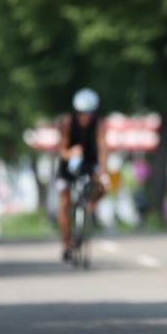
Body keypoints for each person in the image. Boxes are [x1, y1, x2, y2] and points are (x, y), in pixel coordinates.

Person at [56, 88, 109, 261]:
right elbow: (61, 150)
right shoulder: (67, 123)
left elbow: (102, 147)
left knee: (103, 186)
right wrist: (71, 152)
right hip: (68, 165)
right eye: (82, 113)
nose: (86, 117)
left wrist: (103, 170)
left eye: (89, 113)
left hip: (89, 163)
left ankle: (90, 206)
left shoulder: (99, 124)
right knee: (64, 201)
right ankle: (66, 243)